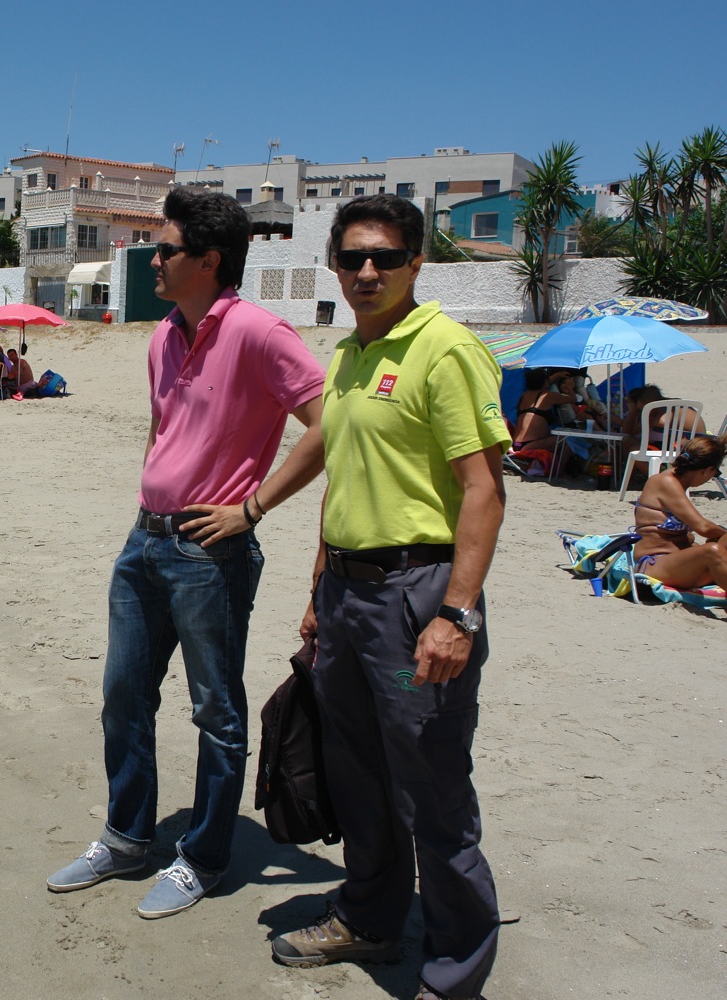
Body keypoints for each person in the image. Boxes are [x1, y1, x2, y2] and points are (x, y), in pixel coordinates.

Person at [46, 187, 325, 919]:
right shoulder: (164, 334)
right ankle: (128, 837)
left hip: (211, 553)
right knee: (123, 696)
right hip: (145, 540)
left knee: (216, 712)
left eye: (166, 250)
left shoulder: (262, 333)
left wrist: (252, 507)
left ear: (209, 260)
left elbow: (332, 426)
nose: (154, 260)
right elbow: (161, 429)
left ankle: (202, 856)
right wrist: (149, 500)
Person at [271, 195, 508, 1000]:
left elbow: (483, 490)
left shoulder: (445, 349)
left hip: (419, 595)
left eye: (385, 257)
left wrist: (457, 615)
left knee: (433, 792)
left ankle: (455, 972)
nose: (367, 272)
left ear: (416, 264)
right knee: (361, 776)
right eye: (352, 259)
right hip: (346, 594)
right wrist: (317, 590)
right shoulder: (346, 355)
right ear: (335, 266)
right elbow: (349, 478)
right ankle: (371, 918)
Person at [631, 435, 727, 589]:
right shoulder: (665, 482)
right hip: (655, 563)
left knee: (720, 542)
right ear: (707, 470)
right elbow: (704, 528)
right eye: (714, 474)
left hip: (678, 562)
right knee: (712, 550)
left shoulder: (677, 482)